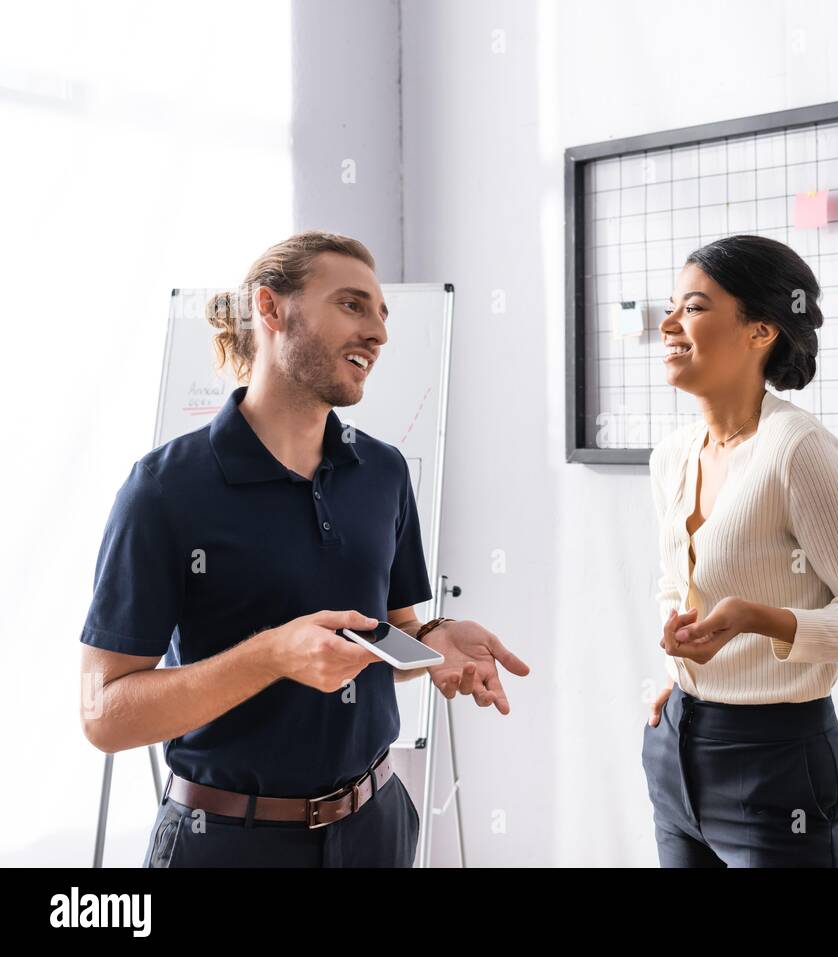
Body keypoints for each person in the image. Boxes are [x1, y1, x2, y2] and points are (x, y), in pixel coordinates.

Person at [79, 230, 529, 867]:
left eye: (381, 314)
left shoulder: (383, 471)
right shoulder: (163, 489)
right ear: (270, 309)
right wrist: (270, 656)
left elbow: (390, 636)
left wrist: (433, 642)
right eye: (351, 305)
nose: (378, 333)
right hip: (227, 841)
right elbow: (105, 715)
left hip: (377, 828)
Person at [642, 233, 838, 867]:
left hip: (780, 767)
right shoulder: (672, 457)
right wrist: (684, 670)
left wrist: (758, 621)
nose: (669, 323)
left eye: (696, 307)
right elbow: (680, 586)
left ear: (760, 332)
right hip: (676, 748)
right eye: (672, 305)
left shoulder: (800, 452)